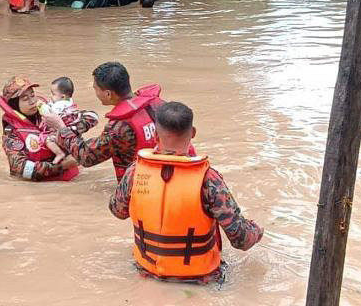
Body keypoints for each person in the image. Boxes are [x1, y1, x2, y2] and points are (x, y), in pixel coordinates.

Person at [109, 102, 263, 283]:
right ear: (193, 133)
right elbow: (241, 239)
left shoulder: (134, 172)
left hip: (146, 273)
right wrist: (257, 230)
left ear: (156, 135)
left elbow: (117, 211)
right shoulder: (209, 180)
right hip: (199, 280)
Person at [44, 61, 195, 182]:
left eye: (95, 88)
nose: (95, 92)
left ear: (108, 94)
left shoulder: (119, 127)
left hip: (143, 186)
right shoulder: (157, 103)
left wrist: (61, 128)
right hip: (177, 175)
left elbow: (86, 157)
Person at [0, 76, 99, 181]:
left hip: (75, 179)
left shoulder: (50, 112)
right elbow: (20, 169)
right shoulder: (12, 133)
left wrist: (65, 128)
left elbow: (89, 117)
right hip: (46, 187)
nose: (32, 101)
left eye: (33, 96)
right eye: (25, 99)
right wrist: (63, 165)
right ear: (14, 105)